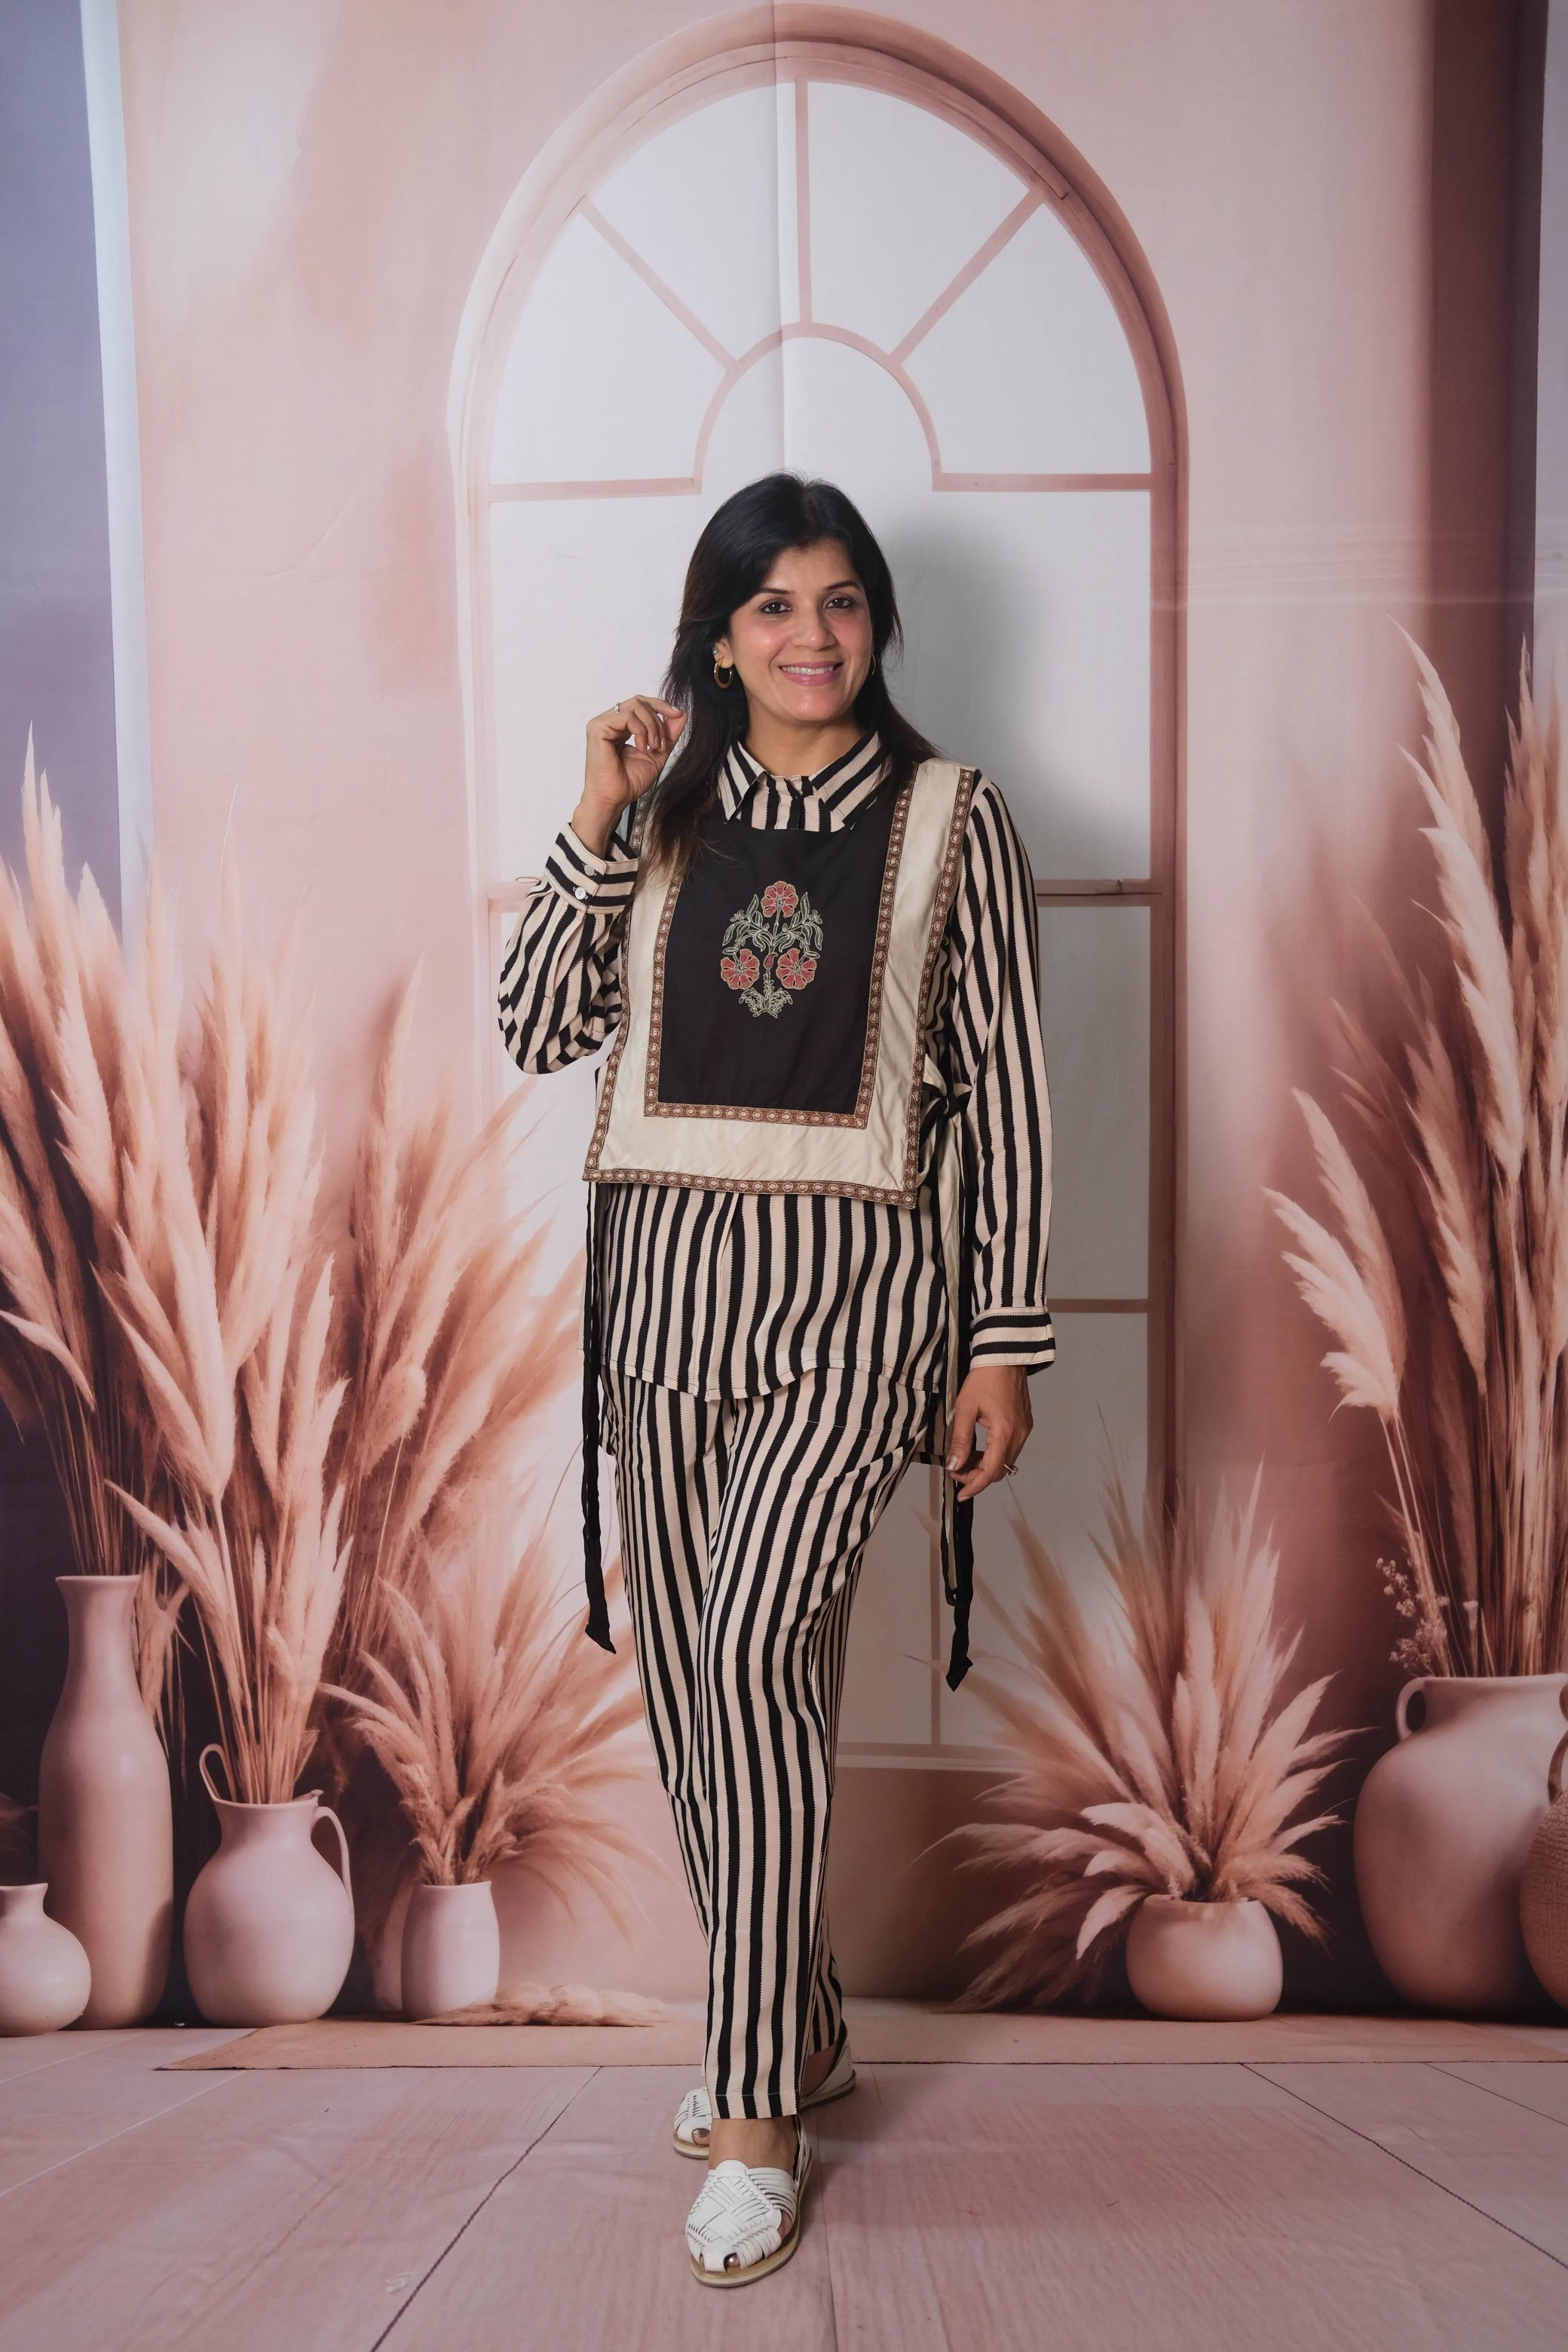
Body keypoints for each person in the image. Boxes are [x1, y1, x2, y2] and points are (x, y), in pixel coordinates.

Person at [498, 473, 1054, 2287]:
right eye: (771, 609)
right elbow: (530, 1026)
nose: (811, 638)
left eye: (839, 603)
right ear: (716, 636)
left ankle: (753, 2112)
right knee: (695, 1680)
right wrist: (591, 808)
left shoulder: (953, 821)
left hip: (852, 1316)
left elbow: (1017, 1103)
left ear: (874, 621)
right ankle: (798, 2011)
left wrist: (1000, 1342)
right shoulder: (654, 812)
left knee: (747, 1653)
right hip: (658, 1312)